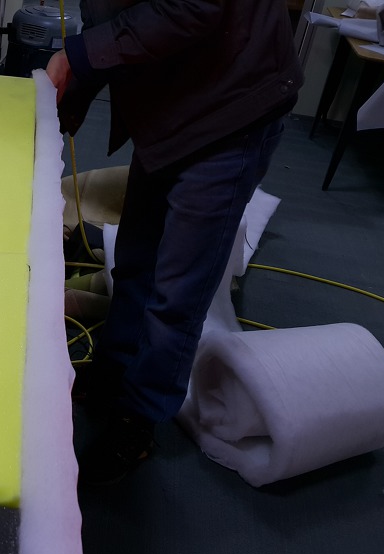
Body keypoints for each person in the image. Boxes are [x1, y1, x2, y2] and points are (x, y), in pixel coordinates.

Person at [46, 0, 303, 484]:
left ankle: (138, 419)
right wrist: (72, 87)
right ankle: (113, 373)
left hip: (230, 108)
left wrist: (78, 55)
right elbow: (111, 15)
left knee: (177, 291)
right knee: (137, 260)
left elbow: (190, 7)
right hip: (173, 100)